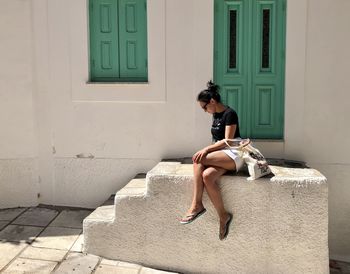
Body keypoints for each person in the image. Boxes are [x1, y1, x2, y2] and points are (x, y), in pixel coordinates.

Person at [180, 81, 244, 240]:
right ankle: (223, 216)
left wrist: (206, 150)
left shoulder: (230, 113)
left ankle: (196, 205)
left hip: (233, 154)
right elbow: (216, 140)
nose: (204, 110)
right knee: (207, 176)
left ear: (213, 102)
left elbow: (228, 140)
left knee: (198, 159)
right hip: (221, 155)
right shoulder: (215, 115)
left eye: (204, 107)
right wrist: (209, 150)